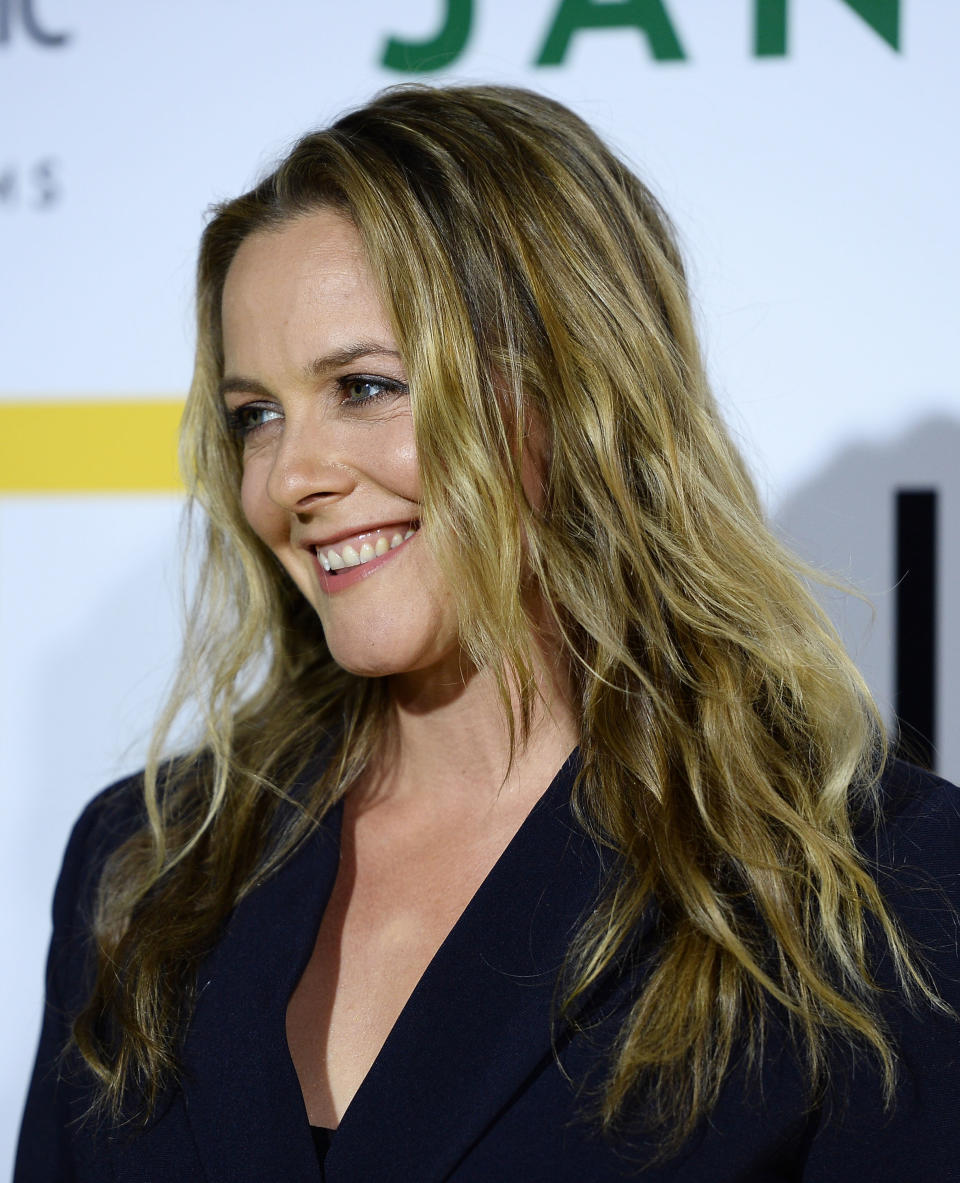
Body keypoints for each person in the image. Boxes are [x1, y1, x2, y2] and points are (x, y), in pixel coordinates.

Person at [14, 84, 960, 1182]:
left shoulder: (874, 885)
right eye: (254, 416)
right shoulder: (148, 865)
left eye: (364, 387)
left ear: (578, 389)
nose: (291, 477)